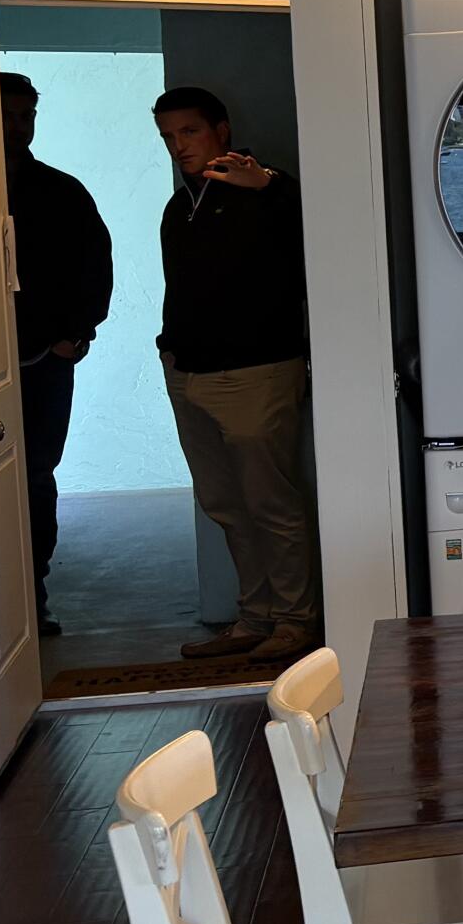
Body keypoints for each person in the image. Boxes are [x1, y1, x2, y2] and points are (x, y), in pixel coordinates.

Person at [154, 85, 317, 657]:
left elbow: (327, 234)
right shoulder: (181, 208)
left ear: (221, 130)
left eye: (189, 132)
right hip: (190, 374)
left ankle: (296, 622)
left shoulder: (265, 190)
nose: (179, 146)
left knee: (271, 502)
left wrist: (270, 184)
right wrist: (169, 348)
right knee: (224, 504)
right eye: (169, 137)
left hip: (259, 371)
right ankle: (256, 618)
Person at [1, 72, 113, 635]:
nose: (17, 126)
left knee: (35, 477)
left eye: (26, 116)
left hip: (44, 360)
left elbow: (94, 264)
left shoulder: (61, 191)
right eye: (7, 114)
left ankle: (31, 596)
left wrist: (77, 335)